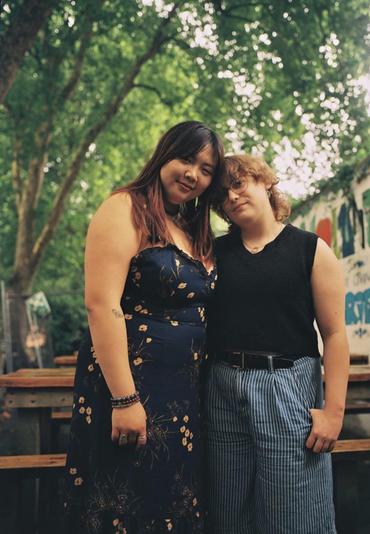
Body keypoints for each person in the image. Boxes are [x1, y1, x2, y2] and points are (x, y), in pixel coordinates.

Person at [63, 121, 224, 533]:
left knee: (172, 503)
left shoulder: (189, 227)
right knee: (127, 506)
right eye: (186, 159)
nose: (193, 174)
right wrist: (123, 399)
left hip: (183, 396)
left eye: (206, 169)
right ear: (163, 154)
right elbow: (101, 306)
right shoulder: (125, 207)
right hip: (131, 389)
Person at [206, 154, 349, 534]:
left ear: (264, 182)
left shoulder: (310, 249)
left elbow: (334, 335)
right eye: (223, 194)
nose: (232, 197)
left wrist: (333, 413)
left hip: (286, 386)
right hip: (221, 388)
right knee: (229, 514)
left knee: (295, 516)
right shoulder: (213, 254)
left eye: (239, 184)